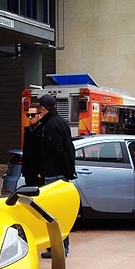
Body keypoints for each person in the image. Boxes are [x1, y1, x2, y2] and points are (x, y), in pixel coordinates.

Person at [38, 93, 76, 258]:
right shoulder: (61, 123)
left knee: (53, 213)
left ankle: (59, 248)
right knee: (59, 212)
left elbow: (57, 151)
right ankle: (58, 246)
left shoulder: (51, 125)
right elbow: (69, 148)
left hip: (54, 174)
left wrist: (64, 171)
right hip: (60, 173)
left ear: (44, 109)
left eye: (40, 108)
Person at [21, 103, 44, 187]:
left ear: (40, 115)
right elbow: (26, 151)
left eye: (33, 115)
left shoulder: (43, 130)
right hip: (28, 172)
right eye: (28, 115)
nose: (30, 117)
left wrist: (41, 172)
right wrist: (24, 170)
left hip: (39, 173)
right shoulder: (27, 131)